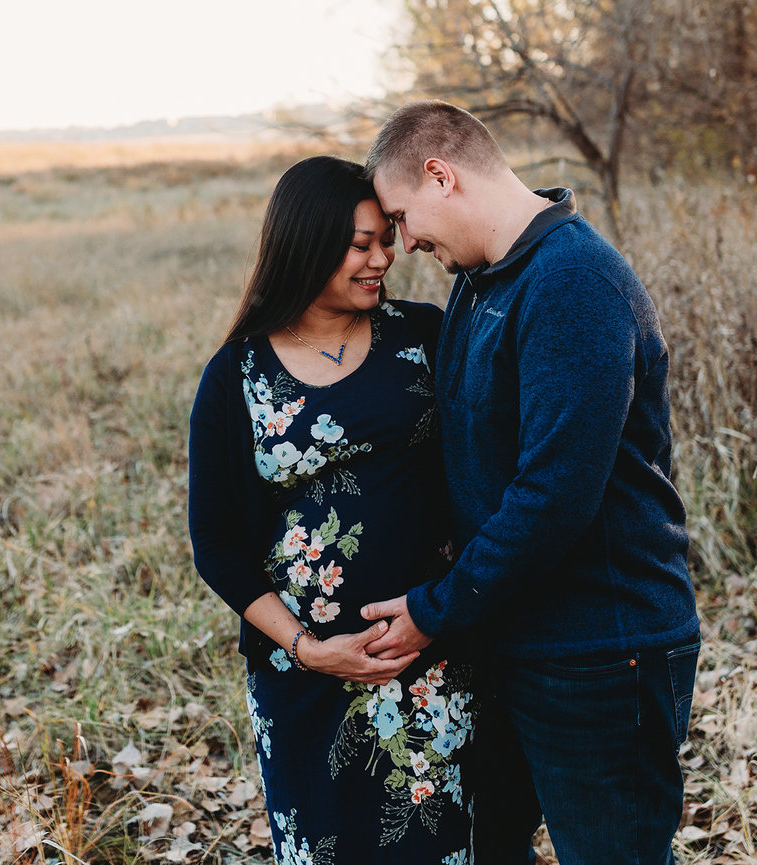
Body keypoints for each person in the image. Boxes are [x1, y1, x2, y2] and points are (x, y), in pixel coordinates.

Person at [359, 101, 700, 865]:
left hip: (602, 651)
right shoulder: (483, 280)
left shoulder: (572, 284)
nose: (404, 242)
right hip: (515, 637)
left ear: (440, 176)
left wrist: (433, 609)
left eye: (402, 217)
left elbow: (553, 495)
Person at [187, 155, 474, 865]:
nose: (384, 257)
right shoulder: (238, 375)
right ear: (306, 244)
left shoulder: (425, 336)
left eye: (385, 238)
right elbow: (216, 542)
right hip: (303, 679)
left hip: (428, 660)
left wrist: (445, 608)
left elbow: (484, 480)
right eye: (361, 244)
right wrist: (308, 648)